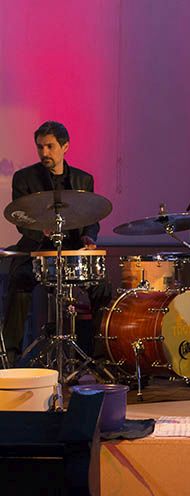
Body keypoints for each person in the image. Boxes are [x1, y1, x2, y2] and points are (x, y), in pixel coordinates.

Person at [4, 121, 109, 360]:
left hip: (72, 252)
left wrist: (89, 236)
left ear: (65, 147)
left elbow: (92, 217)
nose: (44, 153)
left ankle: (98, 356)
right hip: (37, 251)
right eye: (40, 147)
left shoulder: (84, 180)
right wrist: (41, 230)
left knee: (102, 287)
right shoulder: (24, 178)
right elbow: (21, 220)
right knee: (18, 281)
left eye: (50, 147)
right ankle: (10, 358)